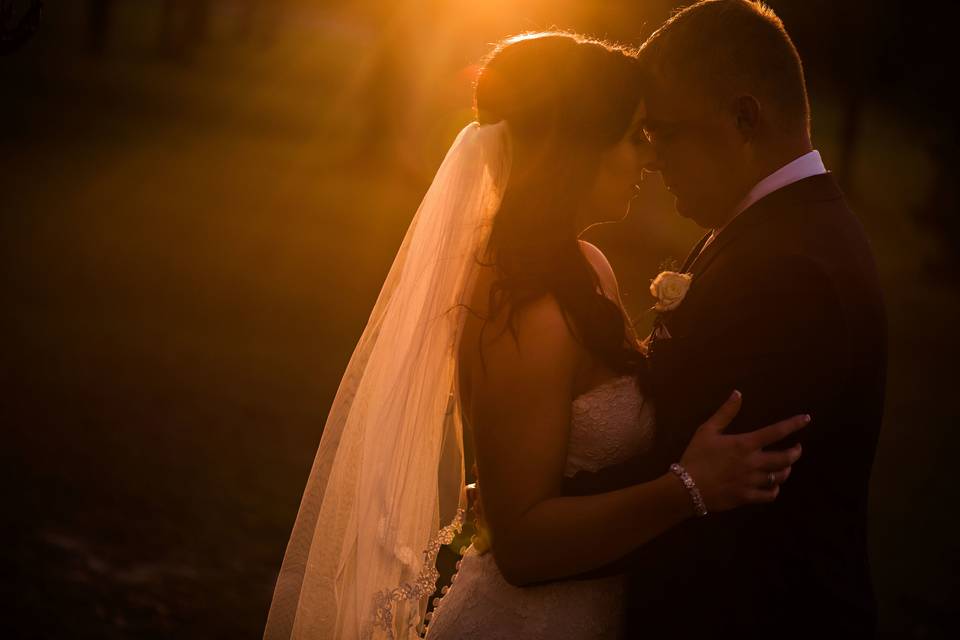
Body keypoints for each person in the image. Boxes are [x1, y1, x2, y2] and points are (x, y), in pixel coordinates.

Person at [263, 29, 809, 640]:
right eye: (634, 138)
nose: (650, 160)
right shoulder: (525, 312)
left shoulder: (587, 268)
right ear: (577, 146)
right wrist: (686, 490)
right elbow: (520, 545)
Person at [560, 2, 887, 638]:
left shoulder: (793, 269)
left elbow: (695, 478)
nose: (652, 161)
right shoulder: (760, 230)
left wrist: (530, 516)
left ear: (743, 118)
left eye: (665, 134)